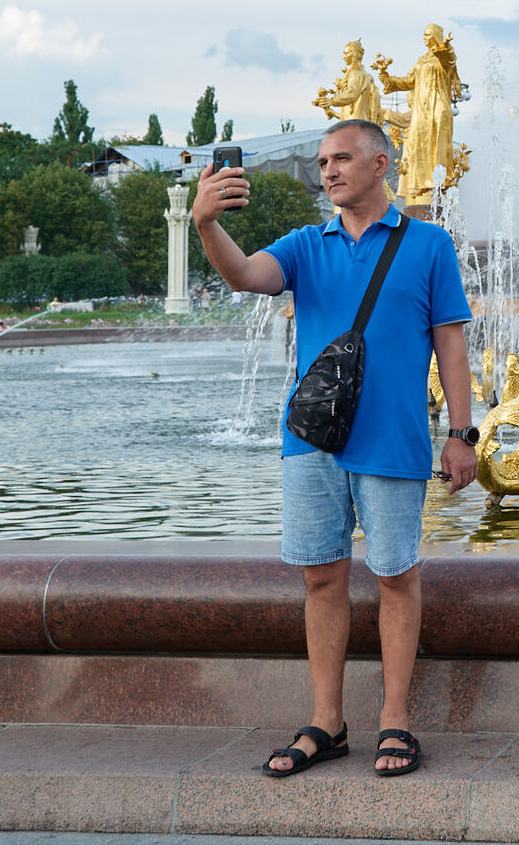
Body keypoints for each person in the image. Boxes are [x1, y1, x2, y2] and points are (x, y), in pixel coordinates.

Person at [194, 118, 478, 779]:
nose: (328, 172)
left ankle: (396, 719)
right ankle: (327, 722)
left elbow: (452, 345)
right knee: (321, 576)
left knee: (395, 578)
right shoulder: (305, 245)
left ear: (381, 164)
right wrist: (205, 223)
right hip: (311, 442)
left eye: (342, 159)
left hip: (392, 441)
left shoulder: (428, 243)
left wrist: (461, 434)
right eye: (323, 162)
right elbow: (243, 275)